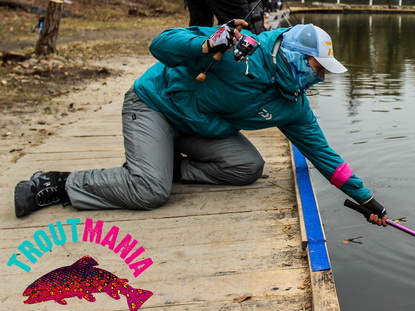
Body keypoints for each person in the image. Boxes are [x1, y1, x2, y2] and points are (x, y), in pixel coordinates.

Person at [14, 23, 389, 227]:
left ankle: (169, 165)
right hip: (153, 104)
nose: (320, 79)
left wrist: (366, 199)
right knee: (150, 192)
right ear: (295, 57)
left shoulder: (294, 106)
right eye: (317, 69)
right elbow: (160, 45)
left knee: (249, 167)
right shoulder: (240, 49)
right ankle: (55, 184)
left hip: (198, 128)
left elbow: (324, 156)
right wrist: (207, 45)